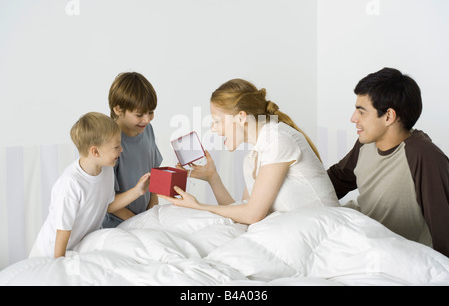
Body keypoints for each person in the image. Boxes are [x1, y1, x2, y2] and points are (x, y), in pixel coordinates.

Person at [159, 79, 339, 224]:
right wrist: (212, 178)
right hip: (300, 229)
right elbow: (242, 212)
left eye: (217, 121)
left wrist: (198, 206)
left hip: (322, 228)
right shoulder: (254, 157)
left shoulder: (277, 140)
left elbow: (253, 215)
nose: (214, 129)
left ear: (241, 117)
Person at [327, 67, 449, 257]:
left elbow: (444, 229)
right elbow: (334, 181)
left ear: (388, 116)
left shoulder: (423, 155)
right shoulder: (365, 145)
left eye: (362, 112)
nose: (353, 118)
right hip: (360, 241)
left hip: (396, 256)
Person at [30, 112, 151, 258]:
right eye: (116, 147)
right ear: (95, 151)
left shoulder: (106, 169)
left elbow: (107, 205)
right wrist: (59, 262)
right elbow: (63, 229)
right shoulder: (71, 183)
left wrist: (137, 191)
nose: (121, 150)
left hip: (75, 249)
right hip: (50, 253)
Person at [102, 72, 163, 228]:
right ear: (118, 109)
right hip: (116, 224)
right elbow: (106, 202)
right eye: (139, 114)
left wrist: (152, 211)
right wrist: (138, 222)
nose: (147, 119)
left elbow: (154, 174)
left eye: (151, 112)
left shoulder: (147, 129)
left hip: (144, 220)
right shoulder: (107, 142)